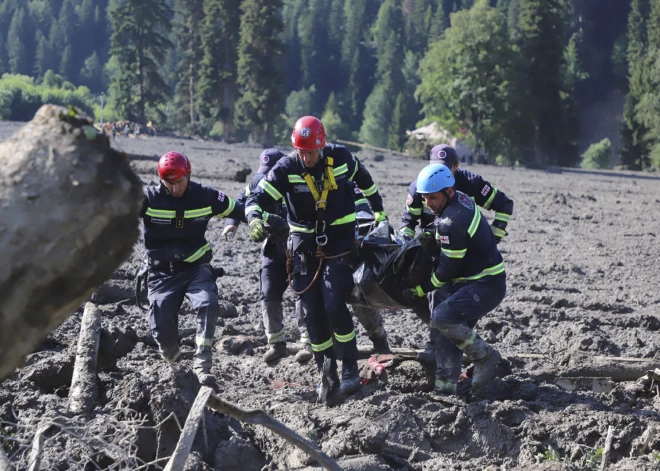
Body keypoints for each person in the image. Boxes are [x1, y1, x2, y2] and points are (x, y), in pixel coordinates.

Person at [245, 116, 387, 399]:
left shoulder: (342, 157)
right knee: (311, 312)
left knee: (334, 303)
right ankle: (326, 372)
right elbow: (256, 198)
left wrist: (379, 211)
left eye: (310, 152)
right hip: (303, 246)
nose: (306, 157)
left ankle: (349, 368)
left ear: (321, 146)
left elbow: (366, 181)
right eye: (301, 152)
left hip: (339, 242)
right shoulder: (286, 167)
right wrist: (253, 219)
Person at [399, 144, 514, 364]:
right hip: (437, 253)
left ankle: (475, 358)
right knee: (434, 303)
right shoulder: (419, 187)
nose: (439, 174)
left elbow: (505, 205)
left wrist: (493, 238)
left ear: (456, 167)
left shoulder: (469, 184)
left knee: (445, 310)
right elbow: (408, 221)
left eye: (446, 168)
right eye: (435, 167)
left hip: (463, 264)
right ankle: (437, 350)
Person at [140, 151, 244, 386]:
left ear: (188, 175)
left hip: (196, 267)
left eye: (180, 182)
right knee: (163, 336)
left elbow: (237, 209)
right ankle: (175, 360)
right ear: (161, 180)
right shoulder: (148, 199)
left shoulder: (205, 196)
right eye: (170, 183)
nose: (176, 188)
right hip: (161, 273)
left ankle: (202, 364)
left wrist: (262, 220)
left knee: (208, 302)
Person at [223, 148, 294, 363]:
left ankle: (310, 344)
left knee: (303, 294)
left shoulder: (294, 183)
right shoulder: (257, 182)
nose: (266, 175)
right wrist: (232, 223)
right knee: (269, 292)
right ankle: (276, 343)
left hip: (298, 245)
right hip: (273, 246)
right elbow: (240, 201)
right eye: (264, 170)